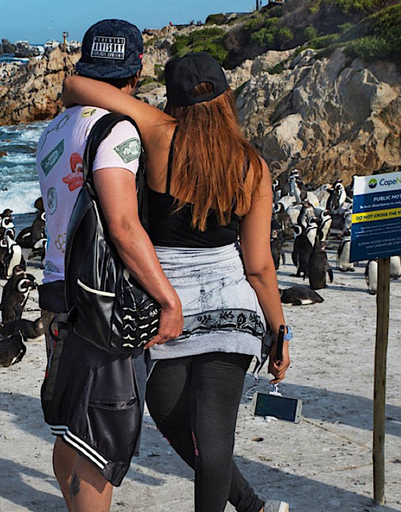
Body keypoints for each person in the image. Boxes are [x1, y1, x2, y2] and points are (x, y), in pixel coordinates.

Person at [62, 52, 291, 512]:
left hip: (172, 309)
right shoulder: (252, 165)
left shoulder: (159, 132)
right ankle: (252, 506)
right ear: (227, 99)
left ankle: (248, 506)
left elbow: (73, 87)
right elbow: (260, 267)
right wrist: (278, 329)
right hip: (212, 310)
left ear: (174, 100)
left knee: (204, 438)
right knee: (183, 422)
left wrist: (146, 108)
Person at [36, 19, 183, 512]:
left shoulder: (55, 128)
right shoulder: (117, 129)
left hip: (57, 287)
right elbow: (122, 226)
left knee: (68, 425)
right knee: (100, 441)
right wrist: (166, 297)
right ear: (136, 71)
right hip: (101, 299)